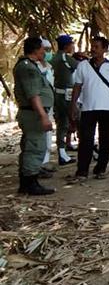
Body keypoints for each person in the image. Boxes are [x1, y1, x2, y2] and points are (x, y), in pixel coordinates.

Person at [68, 36, 109, 182]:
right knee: (85, 140)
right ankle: (82, 171)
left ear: (104, 49)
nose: (93, 49)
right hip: (88, 108)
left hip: (108, 109)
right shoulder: (83, 66)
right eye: (92, 46)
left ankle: (101, 168)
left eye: (97, 47)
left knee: (105, 140)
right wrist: (73, 105)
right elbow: (77, 86)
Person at [14, 36, 55, 195]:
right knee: (35, 147)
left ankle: (27, 182)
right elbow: (33, 94)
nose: (44, 52)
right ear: (36, 49)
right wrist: (43, 115)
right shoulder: (27, 67)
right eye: (42, 49)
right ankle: (30, 183)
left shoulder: (30, 65)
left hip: (32, 113)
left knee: (31, 146)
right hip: (33, 114)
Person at [52, 34, 78, 165]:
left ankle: (62, 152)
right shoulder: (65, 58)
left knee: (62, 124)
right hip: (67, 95)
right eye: (71, 44)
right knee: (80, 120)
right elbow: (79, 67)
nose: (73, 46)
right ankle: (92, 150)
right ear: (67, 46)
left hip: (57, 94)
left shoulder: (53, 58)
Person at [38, 38, 56, 174]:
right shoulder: (34, 67)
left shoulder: (49, 67)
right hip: (39, 109)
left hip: (49, 107)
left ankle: (45, 162)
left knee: (47, 136)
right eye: (46, 50)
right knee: (38, 138)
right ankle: (37, 166)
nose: (48, 53)